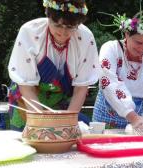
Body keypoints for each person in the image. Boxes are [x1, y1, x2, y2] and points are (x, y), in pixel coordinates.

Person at [8, 0, 99, 131]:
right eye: (57, 25)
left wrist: (68, 123)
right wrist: (40, 124)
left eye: (70, 27)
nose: (62, 33)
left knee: (63, 138)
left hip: (60, 100)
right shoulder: (30, 33)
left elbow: (81, 88)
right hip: (28, 98)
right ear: (47, 16)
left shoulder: (85, 38)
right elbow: (26, 86)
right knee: (32, 141)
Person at [92, 10, 143, 135]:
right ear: (127, 34)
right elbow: (109, 82)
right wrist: (133, 117)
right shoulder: (111, 49)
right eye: (138, 42)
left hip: (139, 119)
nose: (142, 48)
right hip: (108, 114)